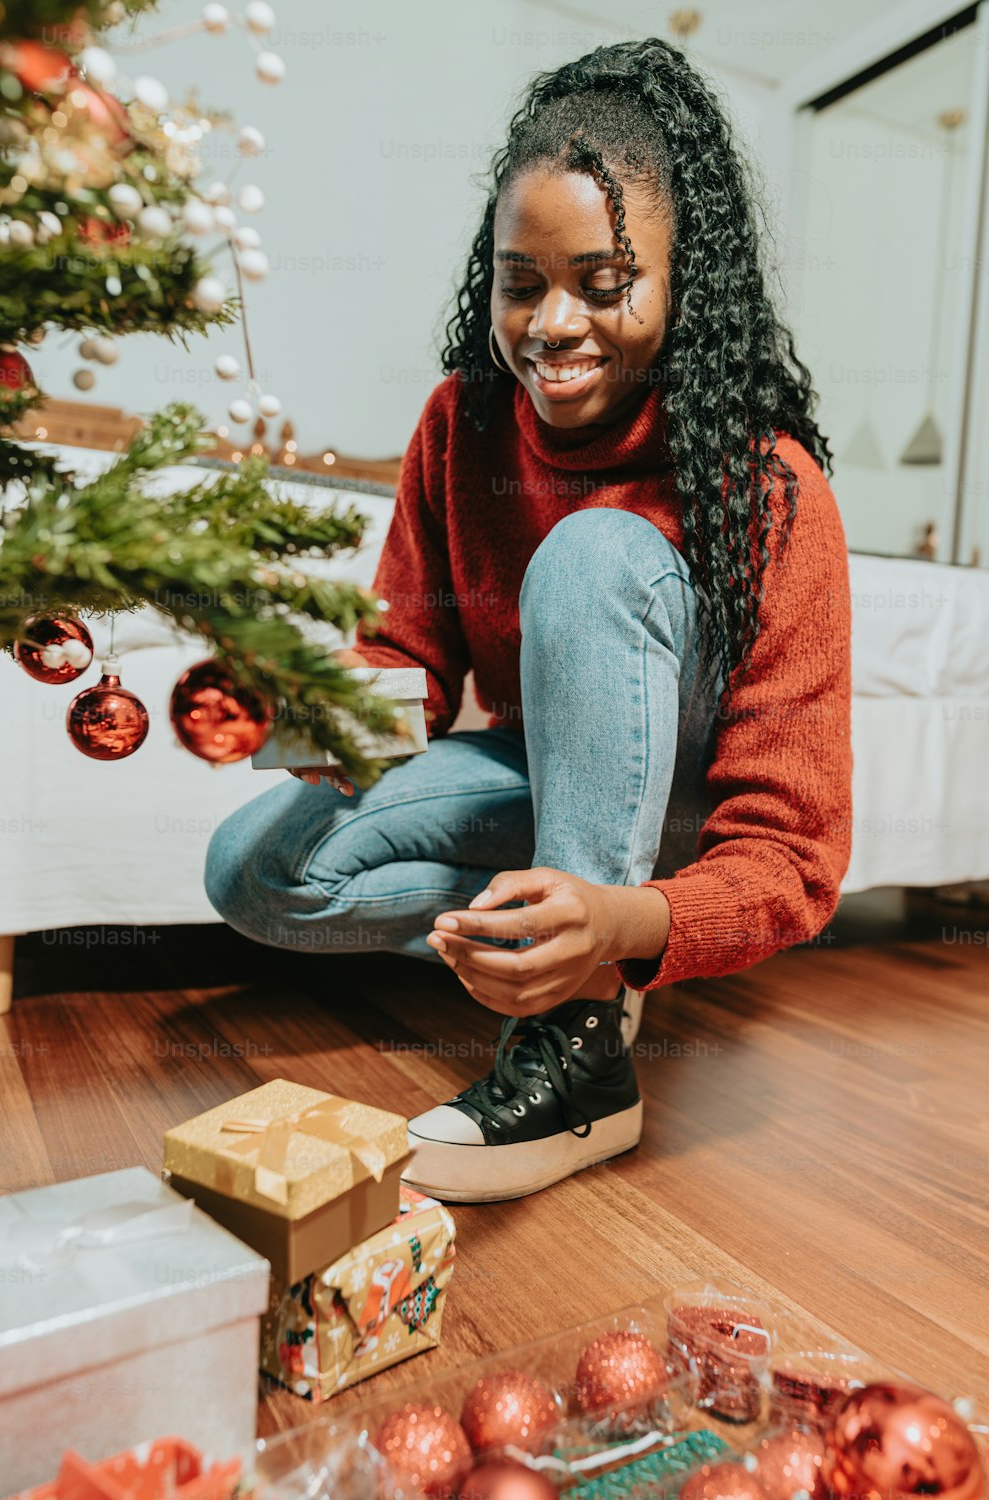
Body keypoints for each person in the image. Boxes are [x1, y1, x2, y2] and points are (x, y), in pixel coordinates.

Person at [204, 36, 852, 1204]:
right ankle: (542, 932)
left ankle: (583, 1044)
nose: (552, 325)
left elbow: (797, 857)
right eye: (521, 282)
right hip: (536, 777)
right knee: (254, 871)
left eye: (604, 285)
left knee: (594, 549)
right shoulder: (462, 422)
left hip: (680, 827)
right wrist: (312, 713)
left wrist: (630, 914)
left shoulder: (770, 486)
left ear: (680, 284)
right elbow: (406, 656)